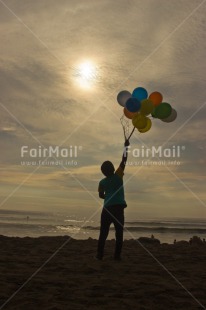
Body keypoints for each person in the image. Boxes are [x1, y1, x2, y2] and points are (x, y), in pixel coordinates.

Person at [95, 139, 130, 261]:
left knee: (103, 233)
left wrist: (108, 197)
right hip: (118, 208)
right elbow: (124, 160)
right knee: (119, 233)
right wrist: (126, 147)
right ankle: (117, 257)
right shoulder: (118, 175)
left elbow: (100, 195)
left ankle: (99, 255)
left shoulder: (102, 182)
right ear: (113, 168)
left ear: (103, 172)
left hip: (107, 209)